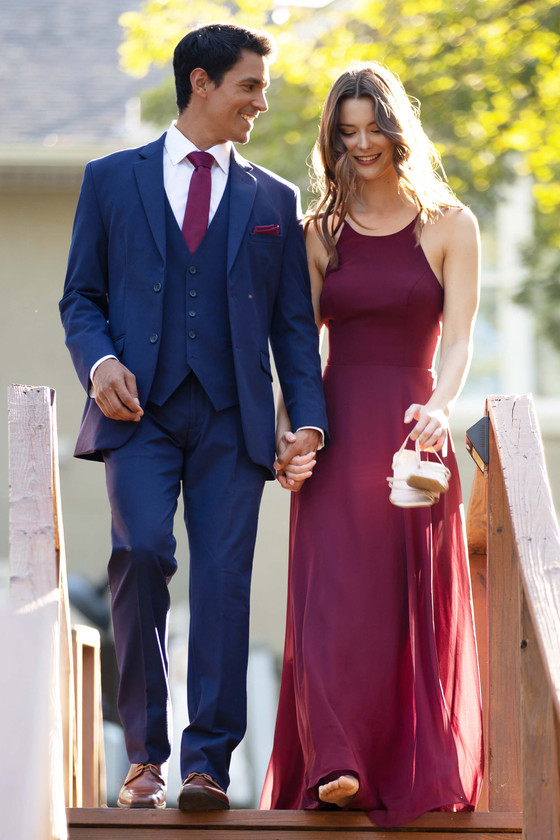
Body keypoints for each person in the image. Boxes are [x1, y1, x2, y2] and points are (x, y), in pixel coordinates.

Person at [60, 23, 328, 811]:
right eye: (250, 84)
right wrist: (101, 363)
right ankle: (144, 758)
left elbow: (292, 330)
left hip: (231, 418)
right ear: (203, 83)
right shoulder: (112, 179)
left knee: (223, 583)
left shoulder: (274, 198)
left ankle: (206, 762)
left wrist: (305, 419)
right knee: (140, 554)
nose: (262, 101)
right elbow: (83, 297)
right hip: (136, 413)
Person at [260, 62, 483, 827]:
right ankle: (336, 761)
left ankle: (406, 762)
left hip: (413, 436)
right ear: (332, 138)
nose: (361, 145)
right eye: (345, 133)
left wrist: (441, 406)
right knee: (334, 601)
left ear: (397, 129)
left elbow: (458, 344)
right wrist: (292, 428)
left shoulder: (453, 224)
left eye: (372, 130)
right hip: (341, 424)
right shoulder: (318, 234)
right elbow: (298, 349)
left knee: (407, 605)